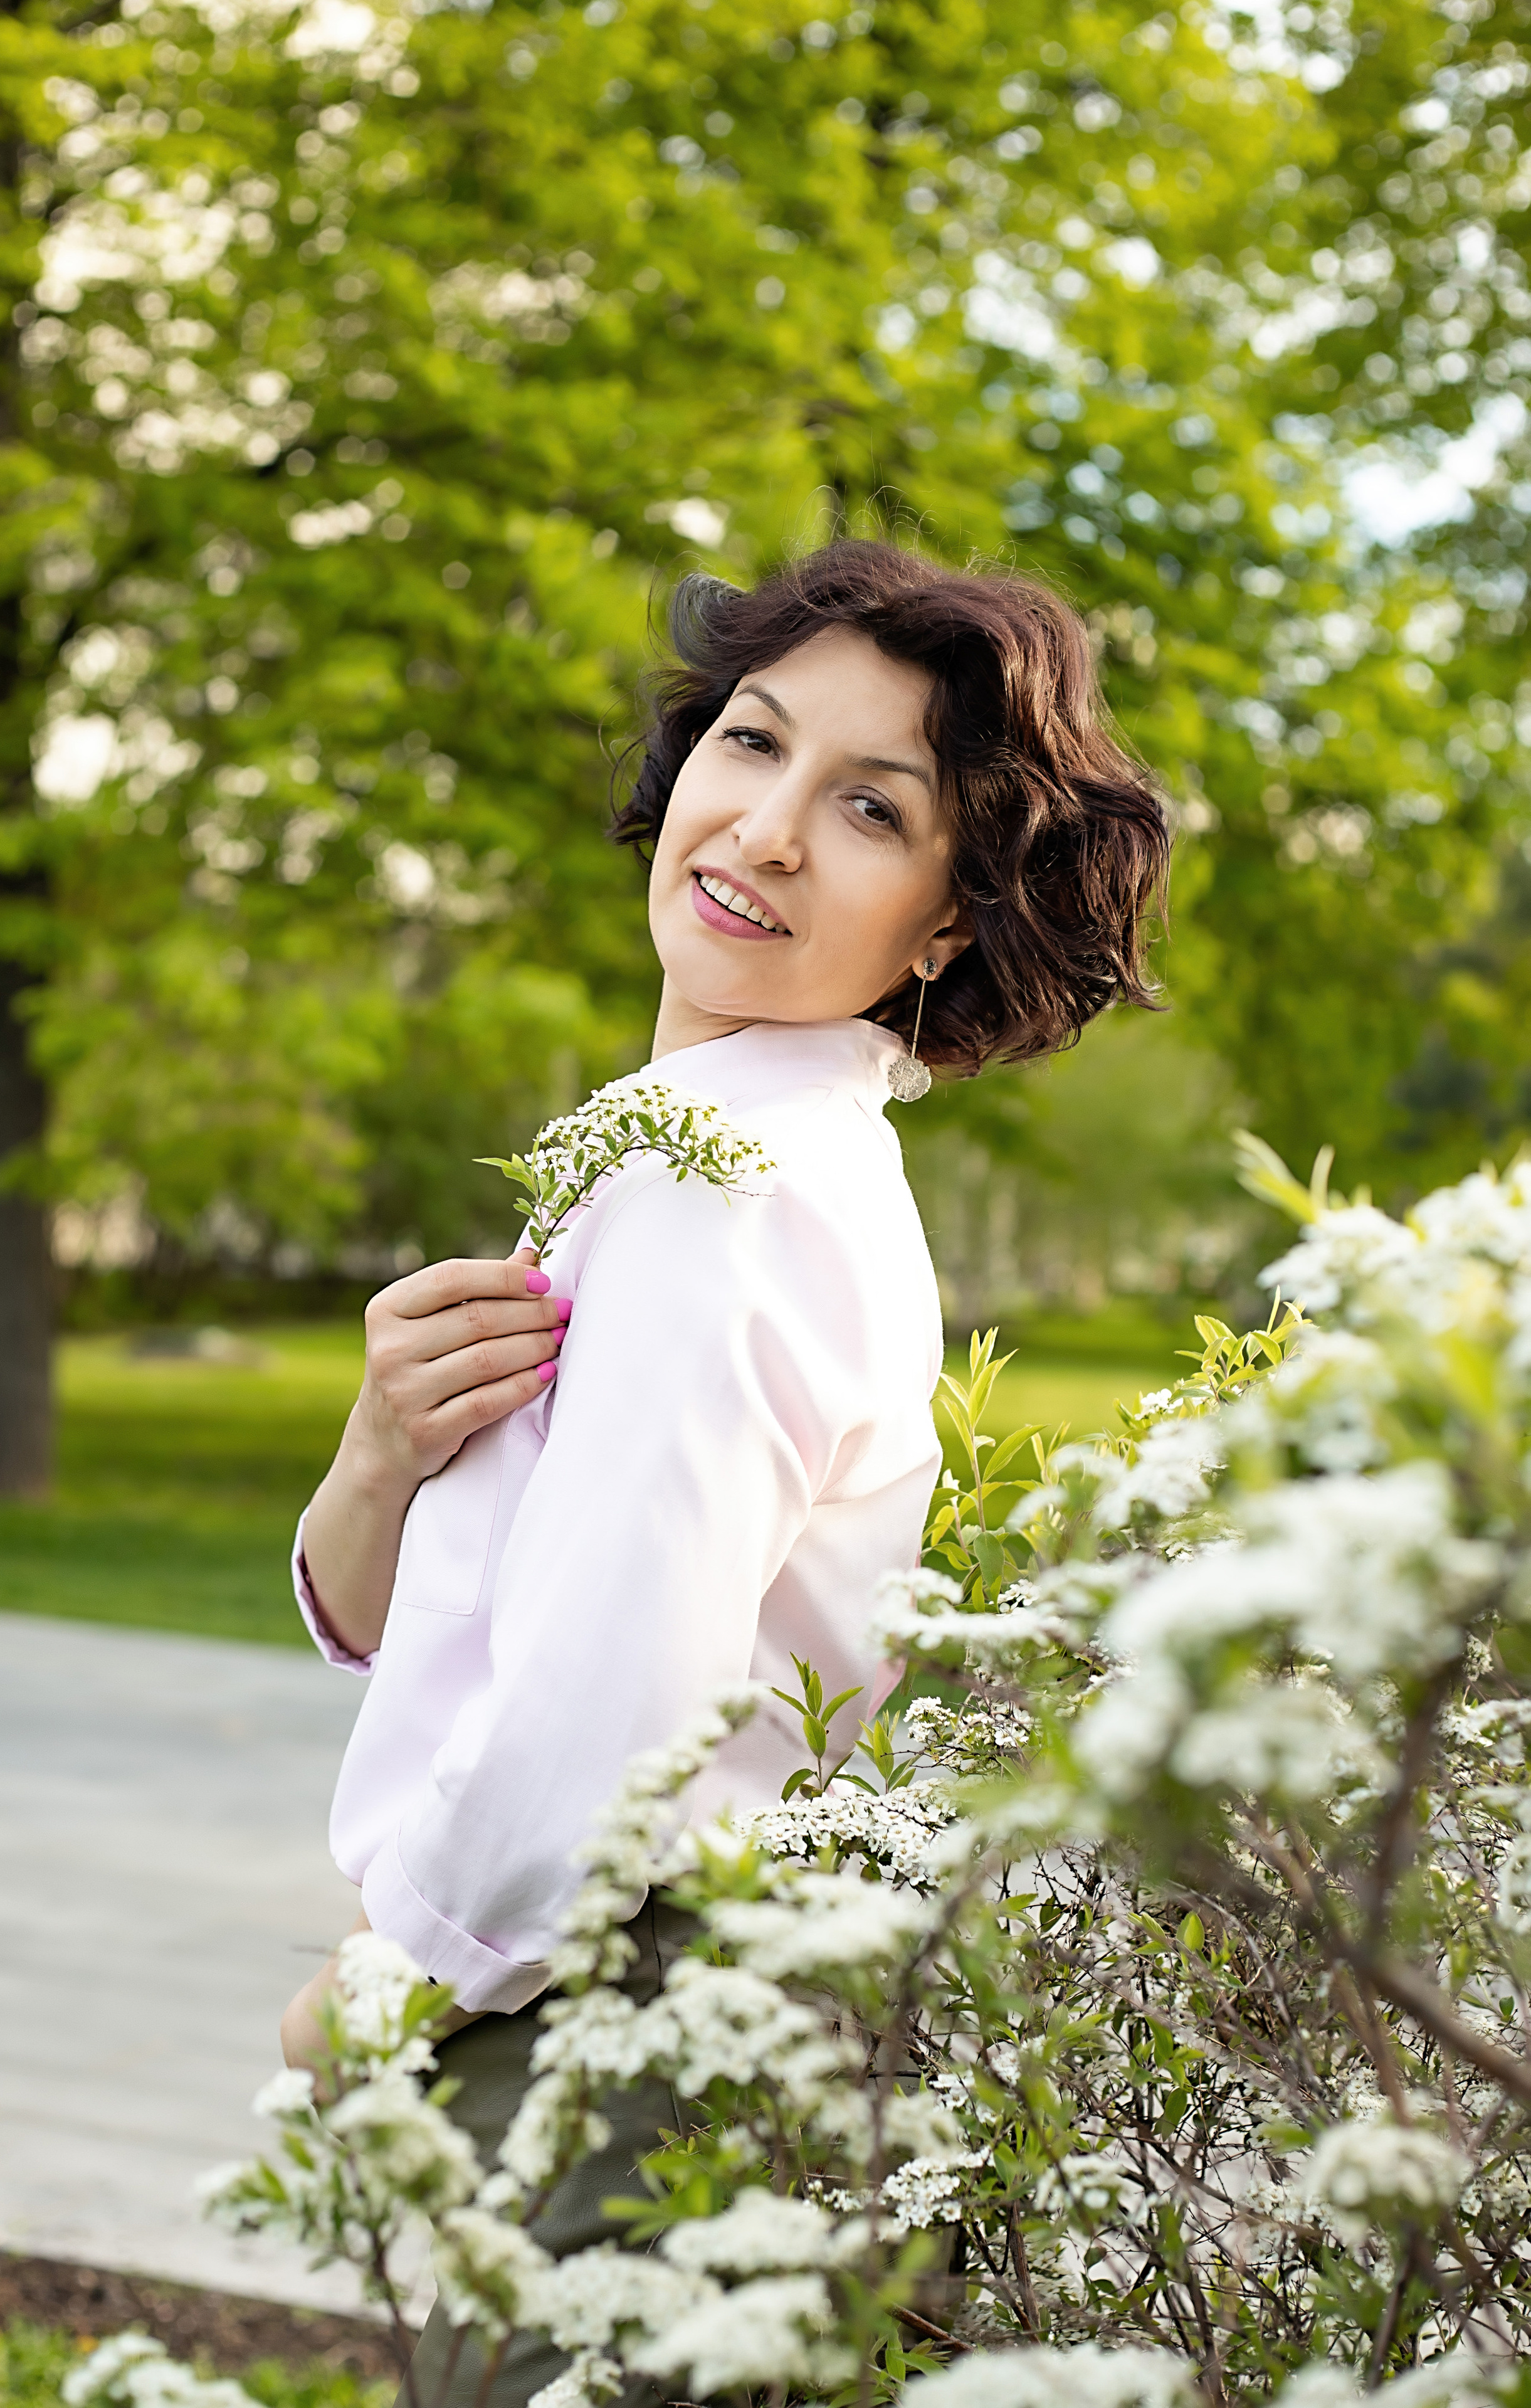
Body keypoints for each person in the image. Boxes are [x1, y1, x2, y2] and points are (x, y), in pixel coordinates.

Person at [281, 537, 1169, 2405]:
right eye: (751, 743)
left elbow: (611, 1741)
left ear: (946, 922)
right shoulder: (692, 1159)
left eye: (869, 807)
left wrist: (384, 1985)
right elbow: (480, 1624)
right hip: (634, 2023)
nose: (764, 830)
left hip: (619, 2030)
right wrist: (376, 1462)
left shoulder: (726, 1191)